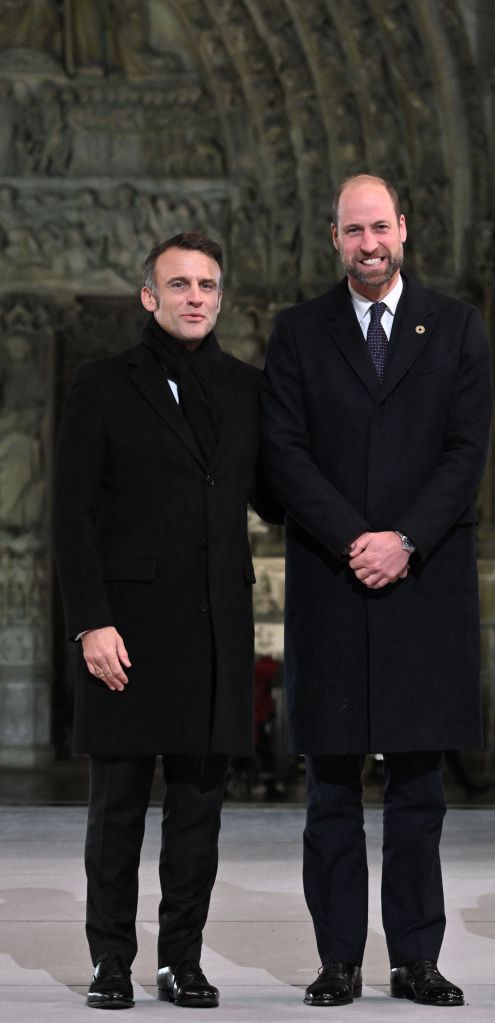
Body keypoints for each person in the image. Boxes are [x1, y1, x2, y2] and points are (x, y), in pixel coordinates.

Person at [261, 174, 492, 1007]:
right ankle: (339, 961)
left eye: (379, 227)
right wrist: (354, 540)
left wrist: (403, 541)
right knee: (330, 792)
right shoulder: (296, 333)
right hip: (331, 582)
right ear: (335, 238)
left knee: (419, 792)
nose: (368, 243)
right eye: (353, 230)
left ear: (405, 229)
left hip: (422, 584)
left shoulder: (458, 327)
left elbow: (466, 454)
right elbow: (282, 451)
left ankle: (416, 960)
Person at [53, 232, 278, 1010]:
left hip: (215, 628)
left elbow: (278, 496)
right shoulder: (102, 385)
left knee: (198, 814)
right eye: (178, 283)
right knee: (116, 811)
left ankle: (181, 959)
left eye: (207, 284)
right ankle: (110, 959)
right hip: (127, 633)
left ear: (220, 297)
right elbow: (70, 517)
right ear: (148, 295)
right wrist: (90, 623)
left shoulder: (248, 388)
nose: (194, 296)